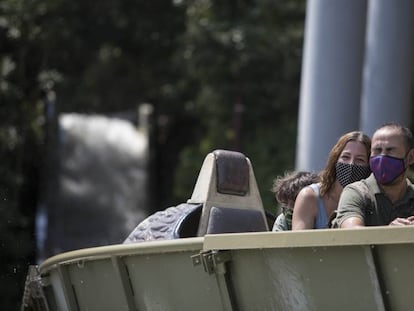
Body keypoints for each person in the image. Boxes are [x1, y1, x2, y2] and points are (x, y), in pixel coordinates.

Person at [333, 123, 414, 228]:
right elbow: (352, 234)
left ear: (410, 157)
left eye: (390, 151)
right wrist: (390, 233)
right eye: (377, 150)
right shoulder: (356, 193)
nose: (382, 157)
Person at [292, 131, 371, 230]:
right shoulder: (310, 196)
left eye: (360, 160)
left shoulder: (372, 201)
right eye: (345, 157)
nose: (351, 164)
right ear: (335, 159)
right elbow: (299, 242)